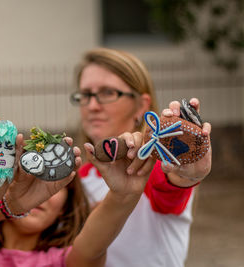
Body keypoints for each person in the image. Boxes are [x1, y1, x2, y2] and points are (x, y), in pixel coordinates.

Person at [0, 118, 156, 267]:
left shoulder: (64, 261)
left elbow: (93, 249)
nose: (34, 186)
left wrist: (124, 196)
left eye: (51, 178)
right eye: (27, 173)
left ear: (66, 205)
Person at [70, 48, 212, 267]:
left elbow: (175, 183)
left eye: (108, 93)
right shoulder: (74, 177)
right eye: (86, 94)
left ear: (142, 105)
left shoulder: (156, 165)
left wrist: (187, 171)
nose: (93, 106)